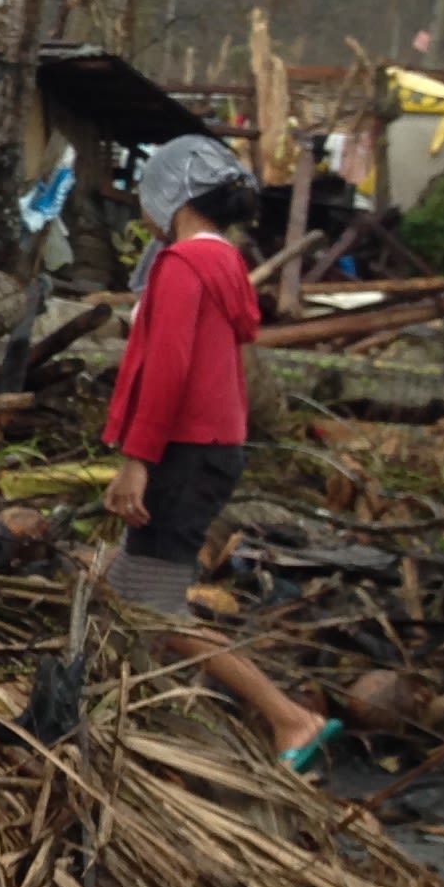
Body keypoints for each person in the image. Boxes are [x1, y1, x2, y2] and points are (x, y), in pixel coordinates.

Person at [100, 133, 341, 768]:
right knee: (119, 586)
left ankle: (291, 718)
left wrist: (135, 461)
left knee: (153, 606)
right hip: (206, 450)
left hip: (182, 453)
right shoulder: (223, 263)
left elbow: (168, 370)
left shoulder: (183, 267)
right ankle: (126, 705)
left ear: (172, 196)